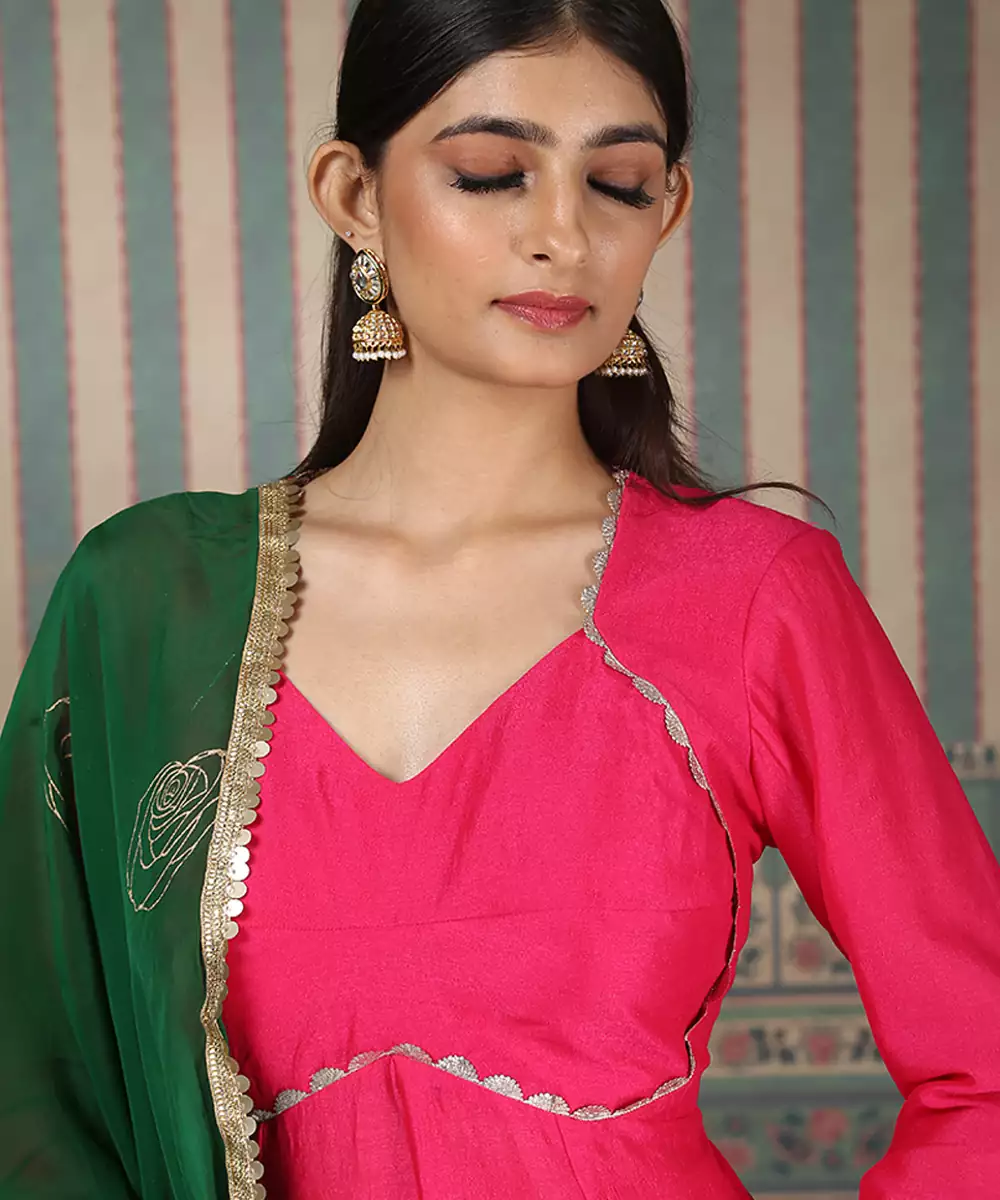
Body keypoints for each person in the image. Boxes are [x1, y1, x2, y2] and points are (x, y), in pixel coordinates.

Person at [1, 0, 998, 1196]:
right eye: (490, 173)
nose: (562, 236)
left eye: (617, 185)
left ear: (666, 210)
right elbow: (35, 1098)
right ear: (353, 195)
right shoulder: (148, 607)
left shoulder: (754, 597)